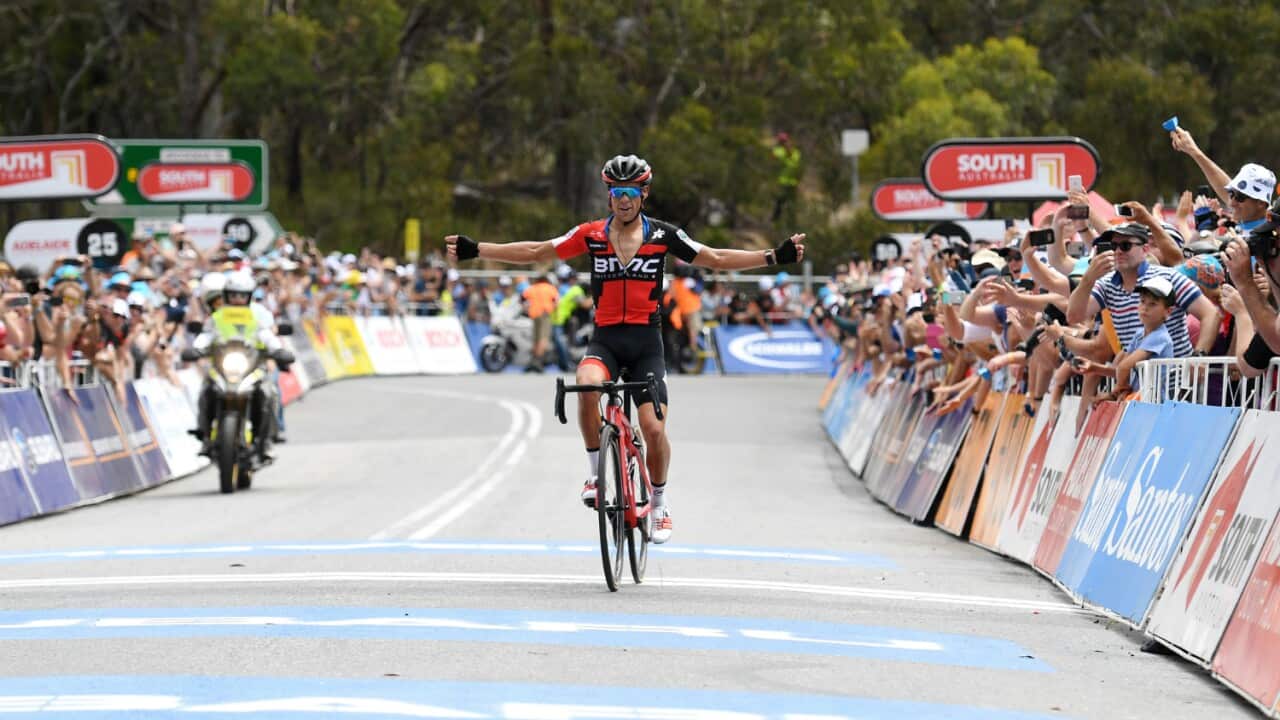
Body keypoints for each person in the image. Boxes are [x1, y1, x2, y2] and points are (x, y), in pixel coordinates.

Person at [446, 154, 804, 544]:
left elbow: (715, 258)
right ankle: (597, 474)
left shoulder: (663, 236)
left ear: (644, 194)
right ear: (609, 195)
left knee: (652, 428)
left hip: (646, 344)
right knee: (585, 383)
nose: (623, 200)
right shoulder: (591, 235)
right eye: (617, 192)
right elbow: (536, 251)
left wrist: (773, 256)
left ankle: (661, 503)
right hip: (606, 339)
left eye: (631, 192)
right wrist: (477, 249)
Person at [1066, 222, 1219, 357]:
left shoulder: (1169, 277)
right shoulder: (1106, 284)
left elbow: (1211, 314)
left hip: (1177, 384)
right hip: (1140, 383)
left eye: (1125, 246)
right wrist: (1088, 279)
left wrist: (1198, 356)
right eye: (1113, 246)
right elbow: (1074, 317)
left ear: (1145, 249)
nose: (1118, 251)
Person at [188, 272, 293, 460]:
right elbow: (206, 336)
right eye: (233, 295)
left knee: (269, 393)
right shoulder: (217, 317)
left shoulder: (256, 316)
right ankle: (204, 433)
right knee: (206, 391)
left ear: (249, 297)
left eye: (242, 295)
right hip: (223, 368)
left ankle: (267, 440)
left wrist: (278, 351)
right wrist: (195, 349)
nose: (237, 299)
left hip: (252, 369)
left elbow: (267, 336)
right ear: (226, 295)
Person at [1074, 276, 1177, 402]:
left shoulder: (1159, 337)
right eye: (1142, 301)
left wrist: (1115, 393)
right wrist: (1093, 367)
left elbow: (1124, 367)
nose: (1145, 307)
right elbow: (1120, 369)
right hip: (1139, 400)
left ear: (1168, 311)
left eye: (1153, 304)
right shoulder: (1139, 334)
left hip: (1153, 403)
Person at [522, 273, 559, 372]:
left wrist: (526, 309)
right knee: (544, 339)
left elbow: (522, 298)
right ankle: (537, 362)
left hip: (534, 314)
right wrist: (553, 309)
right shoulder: (550, 288)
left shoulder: (532, 288)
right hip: (545, 314)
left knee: (536, 339)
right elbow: (556, 302)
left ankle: (533, 360)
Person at [770, 132, 801, 226]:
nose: (784, 143)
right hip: (782, 181)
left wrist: (789, 150)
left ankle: (791, 222)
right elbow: (774, 157)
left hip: (793, 182)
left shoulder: (795, 152)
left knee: (791, 204)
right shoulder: (777, 150)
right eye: (782, 141)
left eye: (785, 141)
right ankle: (776, 220)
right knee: (779, 201)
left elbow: (795, 161)